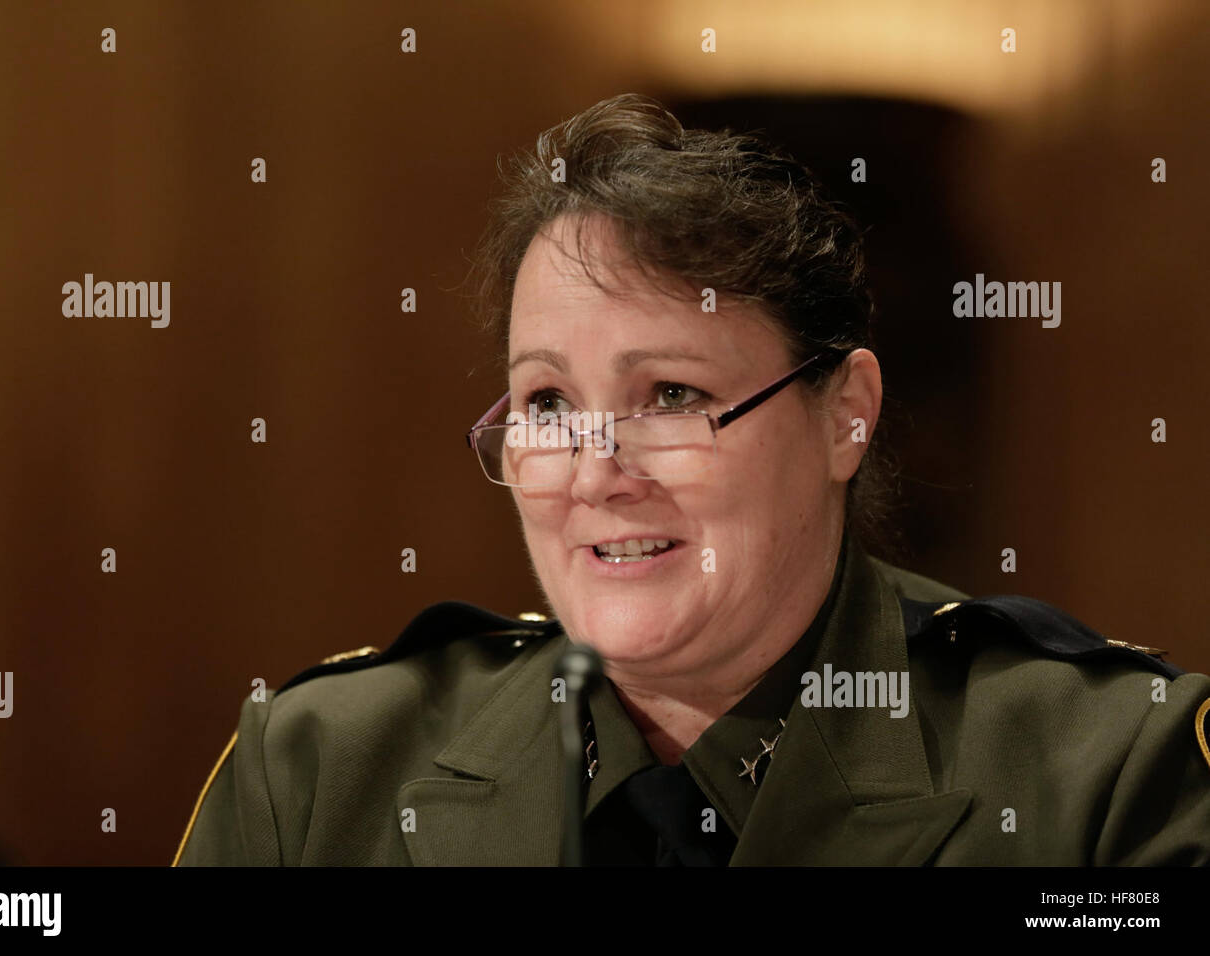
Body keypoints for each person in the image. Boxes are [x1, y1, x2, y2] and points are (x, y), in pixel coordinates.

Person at [173, 93, 1210, 866]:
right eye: (546, 404)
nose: (596, 473)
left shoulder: (1110, 773)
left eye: (669, 394)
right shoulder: (317, 770)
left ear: (844, 411)